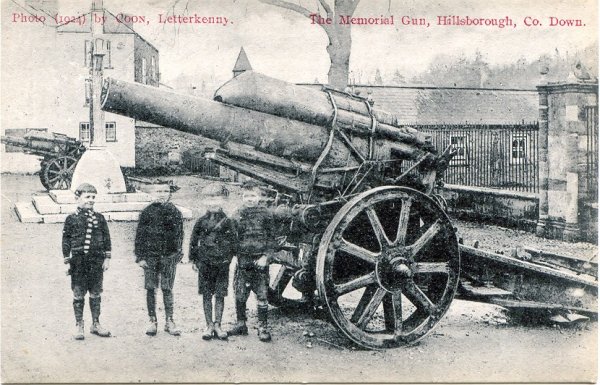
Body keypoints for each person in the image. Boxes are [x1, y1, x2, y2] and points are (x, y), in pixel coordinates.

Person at [62, 183, 111, 340]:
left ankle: (95, 323)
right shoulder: (71, 219)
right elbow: (66, 240)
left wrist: (107, 258)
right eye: (87, 197)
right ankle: (79, 325)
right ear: (77, 198)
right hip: (78, 262)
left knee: (96, 292)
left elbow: (106, 239)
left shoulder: (100, 218)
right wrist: (67, 260)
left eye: (93, 197)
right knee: (78, 293)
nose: (91, 200)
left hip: (96, 262)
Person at [228, 184, 276, 342]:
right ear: (242, 197)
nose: (250, 199)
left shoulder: (266, 214)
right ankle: (241, 324)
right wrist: (236, 255)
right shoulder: (237, 214)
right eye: (247, 196)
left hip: (260, 261)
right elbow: (232, 238)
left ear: (259, 197)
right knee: (240, 293)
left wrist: (265, 257)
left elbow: (271, 239)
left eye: (253, 196)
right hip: (243, 261)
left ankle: (263, 327)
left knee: (262, 295)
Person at [135, 184, 184, 336]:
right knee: (150, 288)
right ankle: (152, 321)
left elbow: (179, 235)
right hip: (150, 256)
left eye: (165, 191)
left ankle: (169, 321)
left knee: (167, 287)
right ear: (152, 192)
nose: (162, 194)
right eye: (159, 191)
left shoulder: (175, 211)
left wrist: (176, 254)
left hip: (168, 256)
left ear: (170, 194)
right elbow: (140, 236)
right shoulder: (147, 212)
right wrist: (140, 257)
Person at [189, 206, 237, 341]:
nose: (214, 204)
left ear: (223, 202)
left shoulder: (228, 221)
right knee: (206, 294)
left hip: (222, 264)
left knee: (220, 294)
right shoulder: (200, 221)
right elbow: (193, 241)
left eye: (217, 200)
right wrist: (194, 259)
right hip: (205, 263)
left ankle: (218, 325)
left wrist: (228, 258)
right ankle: (209, 325)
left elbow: (234, 241)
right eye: (210, 200)